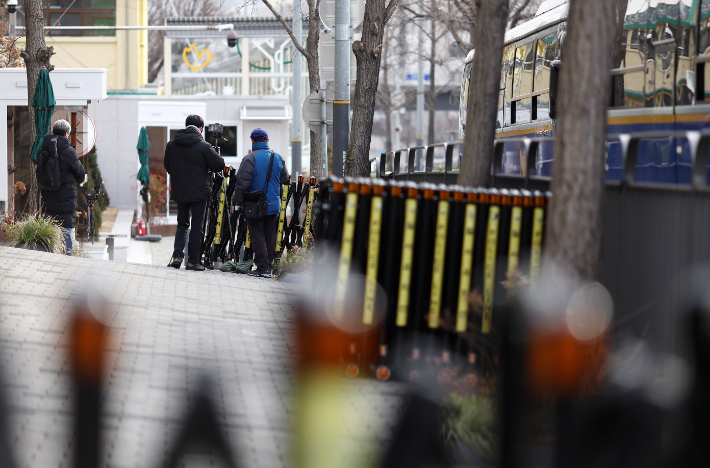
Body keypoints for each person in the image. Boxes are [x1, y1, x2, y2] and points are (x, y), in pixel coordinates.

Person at [164, 115, 225, 271]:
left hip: (180, 191)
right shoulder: (204, 146)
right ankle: (193, 261)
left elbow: (167, 166)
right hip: (199, 192)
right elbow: (219, 165)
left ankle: (177, 257)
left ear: (186, 126)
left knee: (182, 224)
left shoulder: (171, 145)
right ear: (200, 129)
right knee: (197, 227)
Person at [234, 128, 289, 278]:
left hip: (256, 205)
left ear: (252, 141)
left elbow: (242, 184)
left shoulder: (249, 159)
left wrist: (237, 203)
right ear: (267, 140)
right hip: (273, 205)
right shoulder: (278, 158)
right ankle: (269, 267)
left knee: (257, 235)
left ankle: (263, 268)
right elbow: (285, 179)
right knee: (270, 236)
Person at [39, 119, 85, 254]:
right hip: (65, 196)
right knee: (66, 224)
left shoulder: (43, 147)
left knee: (50, 222)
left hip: (47, 194)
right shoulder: (69, 151)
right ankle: (67, 252)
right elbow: (80, 174)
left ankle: (50, 250)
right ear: (66, 134)